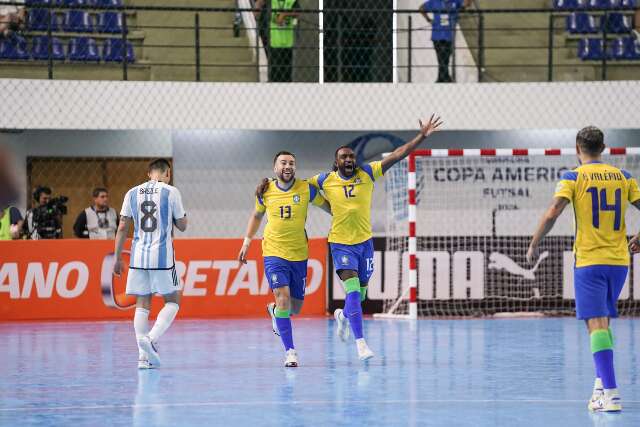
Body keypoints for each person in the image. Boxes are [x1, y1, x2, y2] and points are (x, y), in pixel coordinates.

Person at [258, 116, 443, 360]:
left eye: (351, 156)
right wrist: (268, 185)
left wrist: (421, 136)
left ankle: (343, 316)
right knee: (353, 290)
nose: (349, 159)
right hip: (340, 243)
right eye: (344, 157)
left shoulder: (368, 173)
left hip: (365, 243)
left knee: (360, 295)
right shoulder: (325, 180)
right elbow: (294, 185)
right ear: (335, 162)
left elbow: (397, 155)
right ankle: (361, 344)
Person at [527, 126, 640, 413]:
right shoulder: (624, 177)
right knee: (603, 323)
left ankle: (612, 394)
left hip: (589, 261)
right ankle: (600, 388)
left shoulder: (573, 177)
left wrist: (534, 242)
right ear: (604, 148)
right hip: (619, 262)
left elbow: (553, 211)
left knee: (595, 325)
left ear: (578, 148)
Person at [238, 151, 331, 367]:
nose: (287, 166)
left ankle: (274, 311)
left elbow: (328, 206)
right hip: (273, 251)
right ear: (275, 168)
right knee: (283, 296)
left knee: (294, 308)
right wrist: (246, 242)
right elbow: (257, 216)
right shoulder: (266, 190)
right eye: (283, 162)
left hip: (299, 253)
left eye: (291, 163)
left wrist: (346, 215)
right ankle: (290, 352)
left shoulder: (306, 189)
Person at [113, 159, 187, 369]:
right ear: (167, 174)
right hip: (162, 257)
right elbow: (182, 225)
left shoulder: (131, 192)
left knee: (142, 304)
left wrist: (118, 258)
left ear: (149, 174)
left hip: (138, 257)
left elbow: (122, 227)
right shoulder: (171, 192)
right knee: (173, 301)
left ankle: (142, 358)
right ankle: (151, 339)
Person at [419, 0, 471, 83]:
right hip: (437, 36)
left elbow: (467, 3)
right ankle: (445, 79)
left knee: (444, 59)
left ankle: (442, 79)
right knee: (442, 58)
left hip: (448, 36)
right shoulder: (435, 2)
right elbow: (421, 8)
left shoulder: (455, 1)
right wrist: (428, 19)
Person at [254, 0, 300, 82]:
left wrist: (284, 14)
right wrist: (257, 7)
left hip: (287, 43)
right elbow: (259, 3)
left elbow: (298, 13)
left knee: (286, 73)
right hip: (274, 42)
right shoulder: (273, 1)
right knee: (274, 72)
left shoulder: (291, 1)